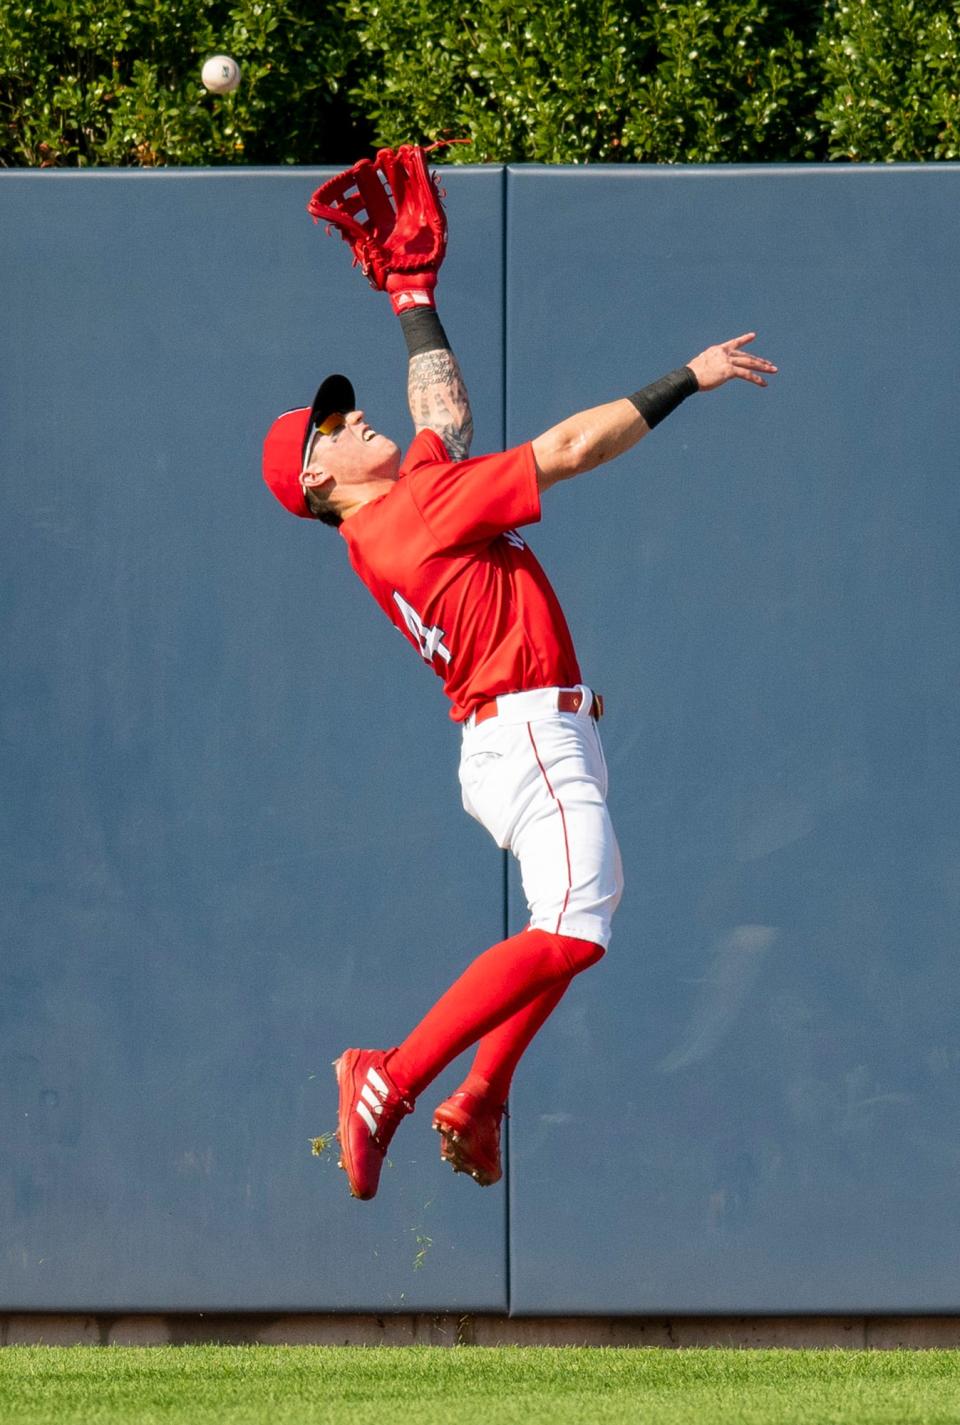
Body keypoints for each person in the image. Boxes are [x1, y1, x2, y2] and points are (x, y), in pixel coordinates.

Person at [262, 266, 777, 1200]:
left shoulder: (396, 508)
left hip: (524, 730)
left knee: (576, 914)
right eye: (330, 429)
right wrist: (688, 378)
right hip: (526, 731)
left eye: (342, 410)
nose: (351, 419)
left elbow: (444, 414)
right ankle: (390, 1080)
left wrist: (411, 296)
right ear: (312, 478)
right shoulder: (413, 511)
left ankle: (483, 1096)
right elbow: (573, 445)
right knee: (580, 927)